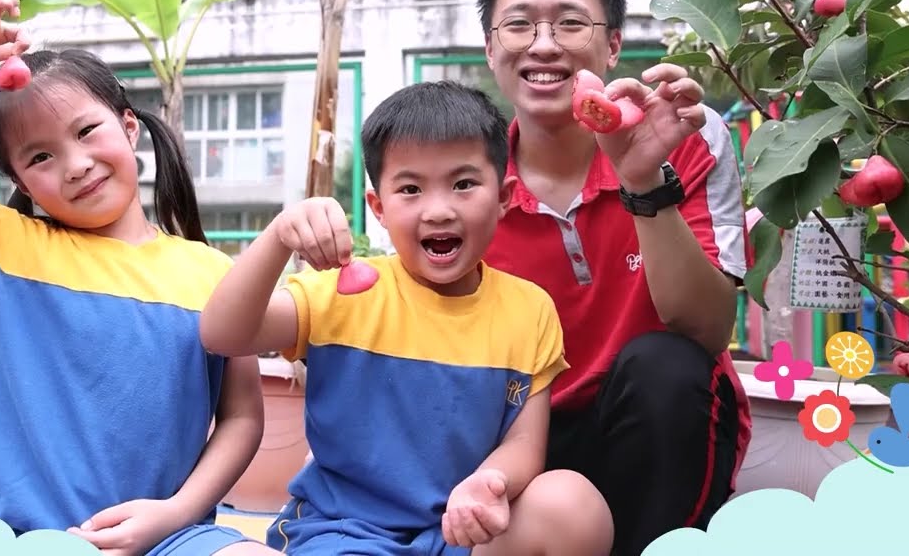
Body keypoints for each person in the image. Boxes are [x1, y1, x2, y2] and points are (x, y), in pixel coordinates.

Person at [0, 0, 277, 556]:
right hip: (25, 540)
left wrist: (174, 514)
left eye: (86, 131)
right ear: (22, 184)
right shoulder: (5, 245)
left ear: (128, 128)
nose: (75, 165)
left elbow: (242, 417)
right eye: (40, 157)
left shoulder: (210, 272)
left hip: (176, 536)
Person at [200, 80, 614, 556]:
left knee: (572, 504)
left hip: (461, 534)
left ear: (504, 197)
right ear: (379, 207)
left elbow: (524, 442)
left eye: (463, 184)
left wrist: (489, 483)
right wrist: (277, 238)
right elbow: (222, 333)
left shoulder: (530, 309)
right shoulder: (345, 290)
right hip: (343, 534)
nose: (438, 210)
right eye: (411, 189)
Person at [476, 0, 751, 556]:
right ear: (492, 47)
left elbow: (707, 329)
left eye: (571, 23)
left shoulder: (686, 133)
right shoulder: (470, 178)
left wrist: (642, 181)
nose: (543, 45)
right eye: (518, 24)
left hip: (657, 422)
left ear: (614, 44)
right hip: (526, 436)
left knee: (666, 365)